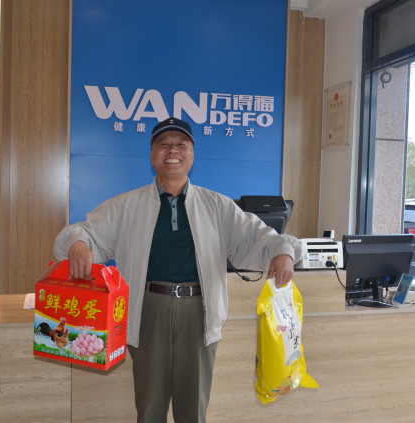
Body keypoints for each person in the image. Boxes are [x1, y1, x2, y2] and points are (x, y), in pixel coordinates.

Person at [54, 117, 302, 423]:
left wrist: (284, 250)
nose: (173, 150)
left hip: (199, 312)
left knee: (193, 411)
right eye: (164, 144)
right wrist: (77, 243)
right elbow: (81, 233)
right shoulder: (126, 206)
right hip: (147, 311)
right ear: (152, 155)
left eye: (181, 144)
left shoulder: (217, 205)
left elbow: (261, 237)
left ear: (192, 155)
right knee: (149, 409)